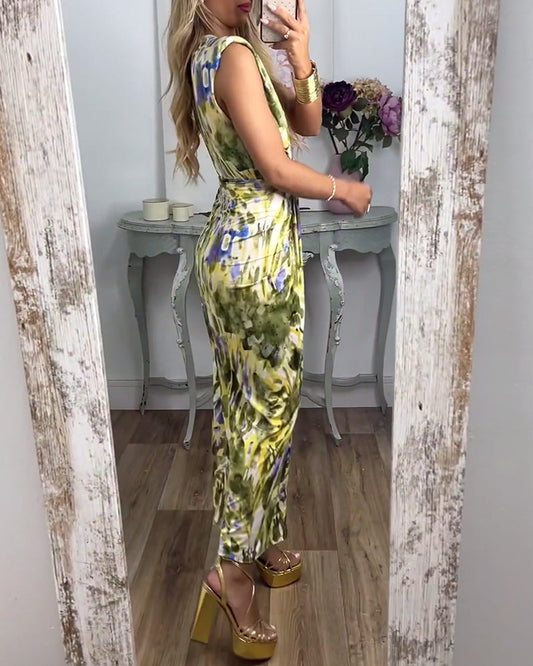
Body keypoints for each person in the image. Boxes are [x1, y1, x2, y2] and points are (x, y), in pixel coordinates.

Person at [166, 0, 372, 659]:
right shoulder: (229, 57)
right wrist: (343, 191)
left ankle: (258, 544)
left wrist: (300, 57)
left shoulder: (227, 54)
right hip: (253, 260)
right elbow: (278, 169)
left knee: (252, 412)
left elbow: (305, 122)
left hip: (246, 251)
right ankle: (230, 576)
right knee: (264, 416)